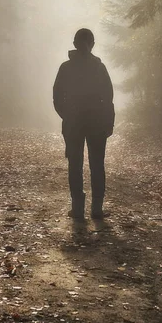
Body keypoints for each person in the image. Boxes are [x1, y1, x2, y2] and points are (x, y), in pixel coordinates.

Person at [53, 28, 115, 221]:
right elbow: (108, 97)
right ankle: (96, 209)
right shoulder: (99, 67)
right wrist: (108, 122)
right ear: (93, 44)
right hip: (96, 123)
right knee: (97, 165)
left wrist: (67, 115)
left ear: (74, 44)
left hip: (73, 124)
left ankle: (78, 209)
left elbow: (57, 97)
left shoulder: (65, 67)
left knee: (75, 165)